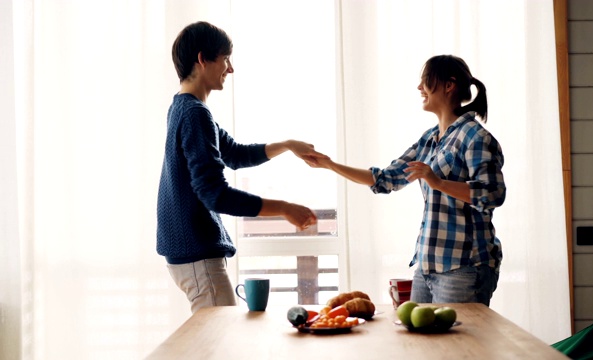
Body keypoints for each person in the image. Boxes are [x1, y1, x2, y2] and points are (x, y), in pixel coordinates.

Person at [308, 55, 506, 306]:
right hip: (427, 265)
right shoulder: (432, 138)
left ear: (449, 85)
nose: (419, 87)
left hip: (464, 267)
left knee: (457, 345)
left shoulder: (475, 137)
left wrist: (438, 182)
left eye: (425, 80)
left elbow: (493, 194)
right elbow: (387, 179)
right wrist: (330, 164)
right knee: (420, 342)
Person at [157, 21, 327, 313]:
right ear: (202, 59)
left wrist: (287, 145)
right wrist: (285, 208)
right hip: (196, 253)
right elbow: (215, 195)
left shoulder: (184, 108)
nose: (230, 68)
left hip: (189, 252)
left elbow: (234, 154)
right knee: (218, 346)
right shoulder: (194, 114)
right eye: (225, 59)